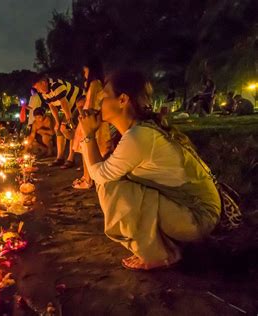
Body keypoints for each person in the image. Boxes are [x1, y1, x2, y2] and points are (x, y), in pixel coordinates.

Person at [79, 69, 221, 271]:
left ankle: (161, 254)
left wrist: (87, 136)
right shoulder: (135, 132)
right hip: (187, 209)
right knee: (116, 182)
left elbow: (99, 175)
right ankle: (165, 243)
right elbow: (104, 168)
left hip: (198, 216)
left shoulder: (139, 136)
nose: (98, 104)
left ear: (123, 100)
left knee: (110, 187)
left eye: (103, 97)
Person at [71, 59, 116, 189]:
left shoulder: (94, 84)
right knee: (92, 149)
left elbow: (89, 104)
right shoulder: (99, 83)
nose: (84, 74)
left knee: (87, 149)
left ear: (91, 71)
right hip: (97, 118)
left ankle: (88, 179)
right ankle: (88, 177)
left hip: (90, 119)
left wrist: (81, 113)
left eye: (85, 71)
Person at [32, 74, 83, 168]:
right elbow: (52, 106)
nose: (38, 91)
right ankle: (60, 157)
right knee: (58, 129)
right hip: (66, 108)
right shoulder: (44, 93)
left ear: (43, 83)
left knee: (68, 129)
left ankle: (71, 159)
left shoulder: (56, 85)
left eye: (37, 88)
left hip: (78, 104)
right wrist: (57, 122)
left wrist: (69, 120)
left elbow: (64, 102)